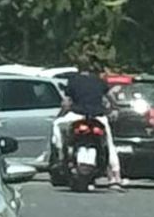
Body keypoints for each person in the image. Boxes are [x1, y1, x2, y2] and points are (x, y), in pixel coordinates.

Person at [52, 59, 124, 191]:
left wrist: (60, 115)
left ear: (78, 68)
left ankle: (60, 154)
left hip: (77, 115)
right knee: (109, 144)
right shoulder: (99, 81)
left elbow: (66, 103)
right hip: (98, 117)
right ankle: (115, 176)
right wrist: (115, 108)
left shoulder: (73, 81)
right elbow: (110, 98)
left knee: (56, 125)